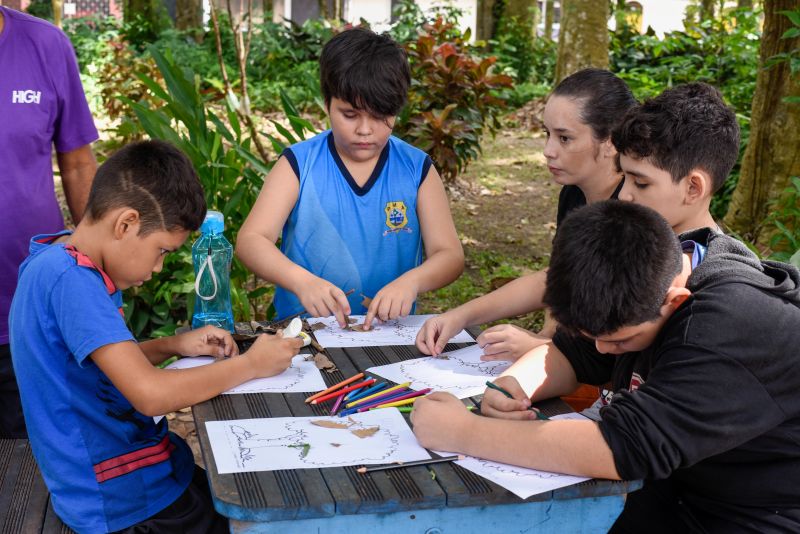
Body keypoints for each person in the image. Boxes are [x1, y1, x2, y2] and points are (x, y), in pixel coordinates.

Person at [412, 200, 800, 532]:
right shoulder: (637, 277)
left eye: (618, 342)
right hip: (680, 485)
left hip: (758, 513)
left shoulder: (730, 323)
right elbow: (571, 354)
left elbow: (626, 447)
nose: (603, 349)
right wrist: (514, 385)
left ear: (675, 302)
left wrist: (463, 432)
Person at [8, 140, 304, 533]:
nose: (160, 266)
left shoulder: (59, 260)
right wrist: (251, 364)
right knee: (264, 512)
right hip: (122, 501)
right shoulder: (72, 282)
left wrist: (172, 345)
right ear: (126, 224)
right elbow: (150, 394)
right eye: (162, 250)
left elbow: (89, 364)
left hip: (123, 479)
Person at [236, 27, 463, 330]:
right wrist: (301, 282)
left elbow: (450, 255)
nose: (365, 130)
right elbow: (251, 240)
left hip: (388, 332)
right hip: (304, 334)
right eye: (350, 114)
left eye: (380, 115)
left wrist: (412, 282)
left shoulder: (416, 169)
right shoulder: (298, 165)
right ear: (327, 104)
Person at [416, 68, 636, 359]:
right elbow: (557, 280)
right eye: (547, 134)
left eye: (564, 138)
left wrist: (542, 347)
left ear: (610, 141)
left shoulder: (634, 212)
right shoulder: (573, 194)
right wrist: (460, 316)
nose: (548, 150)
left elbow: (621, 329)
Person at [0, 5, 98, 438]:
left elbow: (77, 164)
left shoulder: (45, 44)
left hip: (28, 308)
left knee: (29, 458)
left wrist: (97, 266)